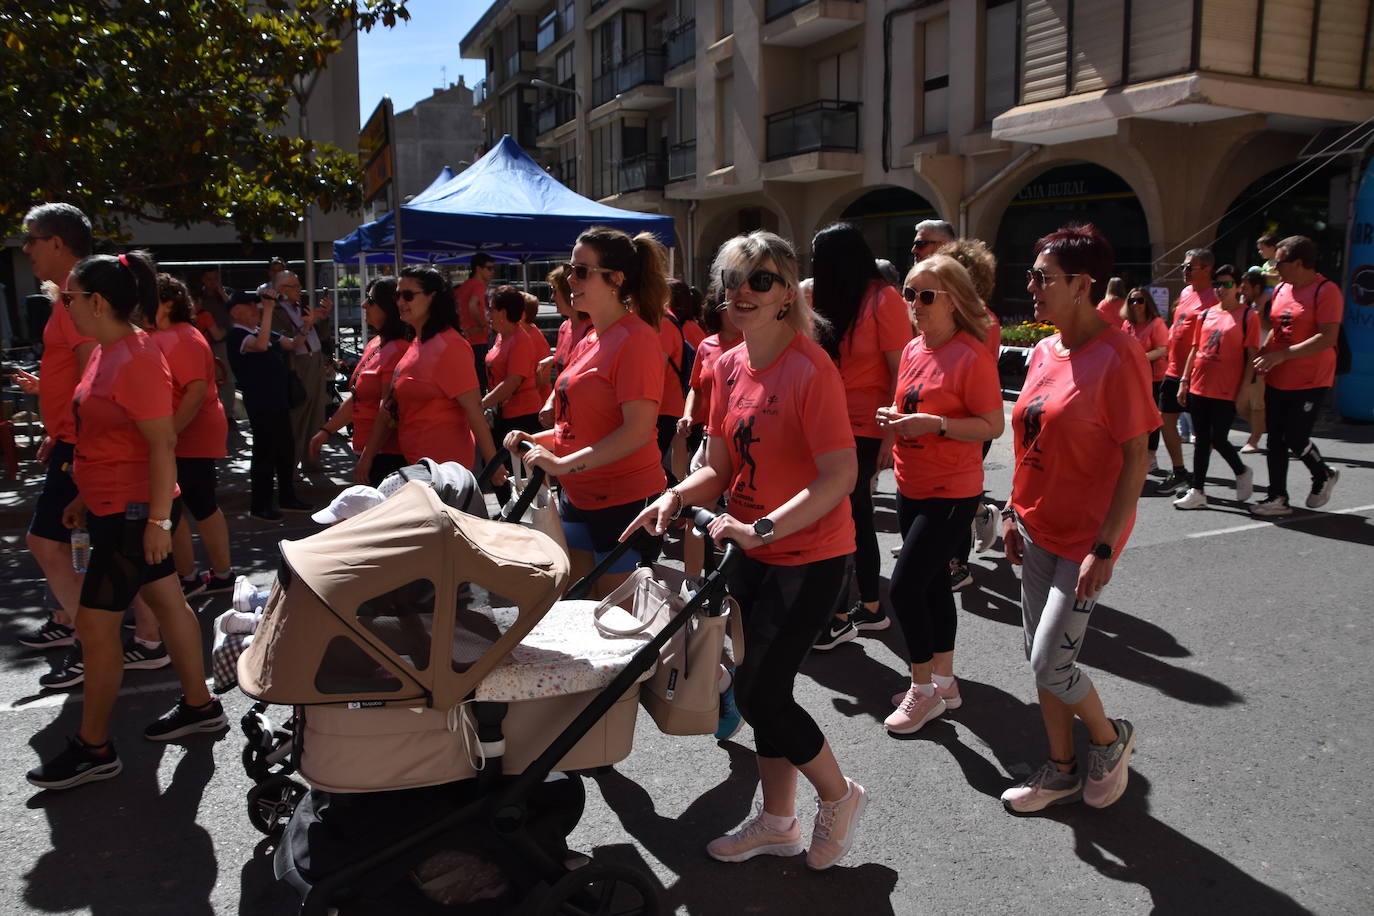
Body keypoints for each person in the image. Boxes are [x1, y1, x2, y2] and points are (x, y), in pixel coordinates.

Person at [623, 229, 866, 871]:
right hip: (750, 551)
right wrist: (675, 497)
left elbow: (840, 474)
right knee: (768, 690)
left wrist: (761, 529)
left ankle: (839, 796)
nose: (744, 292)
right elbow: (722, 467)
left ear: (788, 293)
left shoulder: (811, 368)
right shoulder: (728, 365)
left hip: (808, 556)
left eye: (761, 279)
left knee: (760, 694)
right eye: (733, 280)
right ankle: (780, 820)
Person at [26, 251, 225, 791]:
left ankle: (95, 748)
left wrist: (158, 523)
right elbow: (110, 437)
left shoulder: (135, 355)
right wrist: (86, 499)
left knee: (95, 627)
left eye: (68, 298)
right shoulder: (110, 352)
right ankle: (200, 705)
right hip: (117, 506)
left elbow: (161, 444)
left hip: (135, 513)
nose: (62, 306)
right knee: (168, 604)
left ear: (95, 301)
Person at [999, 223, 1156, 814]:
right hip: (1037, 529)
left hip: (1084, 541)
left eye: (1044, 278)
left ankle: (1110, 738)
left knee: (1050, 661)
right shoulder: (1044, 350)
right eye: (1032, 276)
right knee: (1040, 662)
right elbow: (1028, 442)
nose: (1032, 287)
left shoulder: (1118, 355)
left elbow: (1137, 456)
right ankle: (1060, 769)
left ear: (1082, 285)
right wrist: (1013, 513)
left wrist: (1106, 547)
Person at [504, 226, 668, 595]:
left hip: (624, 501)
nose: (569, 278)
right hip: (579, 496)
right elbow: (575, 426)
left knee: (617, 622)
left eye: (581, 271)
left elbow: (637, 431)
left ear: (616, 279)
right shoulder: (592, 336)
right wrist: (536, 440)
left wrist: (563, 464)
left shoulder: (636, 339)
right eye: (569, 268)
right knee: (573, 601)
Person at [877, 254, 1003, 733]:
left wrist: (937, 425)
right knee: (930, 587)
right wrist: (894, 421)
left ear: (955, 301)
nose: (914, 304)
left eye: (925, 295)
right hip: (912, 483)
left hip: (952, 491)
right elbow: (908, 400)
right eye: (908, 294)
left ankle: (923, 688)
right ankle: (945, 682)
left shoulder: (970, 354)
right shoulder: (914, 349)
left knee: (906, 588)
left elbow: (992, 424)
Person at [808, 223, 912, 647]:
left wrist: (891, 436)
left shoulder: (883, 299)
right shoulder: (825, 295)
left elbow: (899, 372)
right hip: (827, 422)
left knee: (845, 513)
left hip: (869, 427)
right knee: (850, 514)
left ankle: (847, 610)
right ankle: (868, 605)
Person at [13, 204, 97, 653]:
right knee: (79, 548)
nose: (25, 248)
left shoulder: (76, 296)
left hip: (82, 445)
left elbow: (92, 375)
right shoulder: (71, 293)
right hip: (71, 439)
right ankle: (76, 625)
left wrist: (79, 439)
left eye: (32, 238)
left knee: (46, 541)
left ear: (57, 244)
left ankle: (95, 642)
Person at [360, 266, 502, 488]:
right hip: (417, 470)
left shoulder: (450, 346)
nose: (400, 302)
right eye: (398, 295)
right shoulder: (416, 343)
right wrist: (367, 456)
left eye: (408, 295)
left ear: (432, 297)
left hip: (445, 475)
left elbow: (474, 412)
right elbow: (389, 407)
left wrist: (494, 465)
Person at [150, 274, 233, 594]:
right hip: (181, 433)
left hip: (190, 434)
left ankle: (213, 575)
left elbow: (195, 391)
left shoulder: (182, 336)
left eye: (150, 298)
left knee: (198, 504)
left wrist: (168, 433)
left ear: (168, 303)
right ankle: (193, 575)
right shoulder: (171, 334)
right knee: (184, 506)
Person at [1250, 235, 1343, 516]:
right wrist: (1265, 351)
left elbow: (1327, 337)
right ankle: (1277, 497)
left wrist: (1283, 354)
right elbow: (1277, 329)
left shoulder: (1326, 291)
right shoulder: (1280, 290)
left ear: (1299, 263)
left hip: (1310, 378)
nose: (1275, 268)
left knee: (1295, 437)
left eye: (1280, 262)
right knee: (1274, 438)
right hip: (1278, 375)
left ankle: (1323, 474)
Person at [934, 237, 1003, 580]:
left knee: (956, 491)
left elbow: (971, 373)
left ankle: (957, 565)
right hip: (944, 419)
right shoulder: (949, 317)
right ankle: (975, 517)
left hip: (970, 420)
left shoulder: (981, 320)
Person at [1172, 265, 1259, 510]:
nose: (1222, 289)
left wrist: (1244, 389)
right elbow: (1194, 349)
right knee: (1201, 440)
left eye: (1228, 284)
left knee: (1218, 438)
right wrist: (1184, 381)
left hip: (1226, 387)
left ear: (1239, 287)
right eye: (1218, 284)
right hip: (1200, 384)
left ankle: (1241, 470)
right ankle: (1197, 490)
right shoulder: (1206, 314)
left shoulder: (1247, 316)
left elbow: (1251, 355)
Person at [310, 277, 409, 485]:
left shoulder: (398, 349)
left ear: (387, 308)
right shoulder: (376, 342)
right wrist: (327, 430)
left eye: (370, 300)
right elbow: (357, 397)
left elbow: (387, 411)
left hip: (387, 456)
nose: (363, 304)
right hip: (368, 450)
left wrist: (368, 456)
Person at [226, 289, 312, 521]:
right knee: (265, 453)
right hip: (261, 403)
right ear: (236, 312)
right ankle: (260, 504)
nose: (257, 309)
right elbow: (261, 345)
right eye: (250, 306)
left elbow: (294, 344)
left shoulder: (260, 330)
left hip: (279, 400)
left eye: (257, 306)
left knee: (285, 450)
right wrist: (270, 310)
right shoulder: (236, 336)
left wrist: (307, 324)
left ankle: (287, 497)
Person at [1157, 249, 1218, 493]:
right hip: (1173, 369)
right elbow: (1178, 325)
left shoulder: (1214, 298)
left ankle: (1200, 477)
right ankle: (1180, 470)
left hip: (1197, 374)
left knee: (1205, 431)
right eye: (1184, 266)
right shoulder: (1185, 292)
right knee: (1165, 420)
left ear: (1207, 269)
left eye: (1190, 267)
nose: (1184, 271)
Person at [483, 285, 544, 504]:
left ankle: (521, 517)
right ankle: (509, 513)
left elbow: (513, 381)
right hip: (504, 414)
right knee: (501, 472)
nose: (488, 313)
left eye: (491, 308)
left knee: (518, 474)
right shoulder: (502, 337)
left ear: (503, 311)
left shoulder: (520, 339)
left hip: (521, 416)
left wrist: (483, 404)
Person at [269, 270, 332, 471]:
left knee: (316, 412)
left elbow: (320, 335)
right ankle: (290, 464)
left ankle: (312, 459)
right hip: (297, 365)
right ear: (281, 289)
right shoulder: (275, 311)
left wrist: (322, 317)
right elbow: (286, 341)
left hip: (315, 361)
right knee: (297, 416)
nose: (299, 290)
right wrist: (309, 323)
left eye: (298, 285)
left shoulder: (301, 306)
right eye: (294, 286)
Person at [1121, 285, 1169, 470]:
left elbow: (1163, 349)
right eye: (1132, 300)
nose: (1136, 304)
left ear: (1147, 302)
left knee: (1152, 417)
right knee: (1134, 417)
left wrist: (1140, 359)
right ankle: (1135, 454)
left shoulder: (1156, 323)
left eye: (1140, 300)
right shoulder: (1127, 324)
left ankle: (1151, 456)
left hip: (1154, 378)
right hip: (1133, 378)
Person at [196, 266, 238, 420]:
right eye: (209, 279)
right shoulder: (198, 296)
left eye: (215, 279)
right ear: (203, 280)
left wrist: (222, 293)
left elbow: (235, 309)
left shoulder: (225, 293)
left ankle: (228, 413)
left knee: (226, 376)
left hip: (223, 341)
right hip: (204, 341)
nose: (212, 282)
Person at [1237, 268, 1270, 452]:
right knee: (1241, 404)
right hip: (1246, 358)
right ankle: (1268, 426)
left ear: (1257, 288)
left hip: (1261, 357)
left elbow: (1273, 327)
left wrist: (1257, 315)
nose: (1242, 291)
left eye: (1246, 288)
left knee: (1257, 403)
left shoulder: (1268, 303)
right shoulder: (1245, 304)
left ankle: (1254, 440)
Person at [454, 253, 495, 389]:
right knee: (481, 381)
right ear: (478, 268)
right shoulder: (478, 285)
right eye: (489, 268)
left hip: (465, 338)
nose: (492, 272)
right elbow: (473, 304)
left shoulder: (463, 286)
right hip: (478, 338)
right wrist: (482, 325)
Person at [519, 290, 553, 404]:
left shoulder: (535, 337)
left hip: (537, 403)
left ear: (522, 314)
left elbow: (543, 376)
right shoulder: (517, 333)